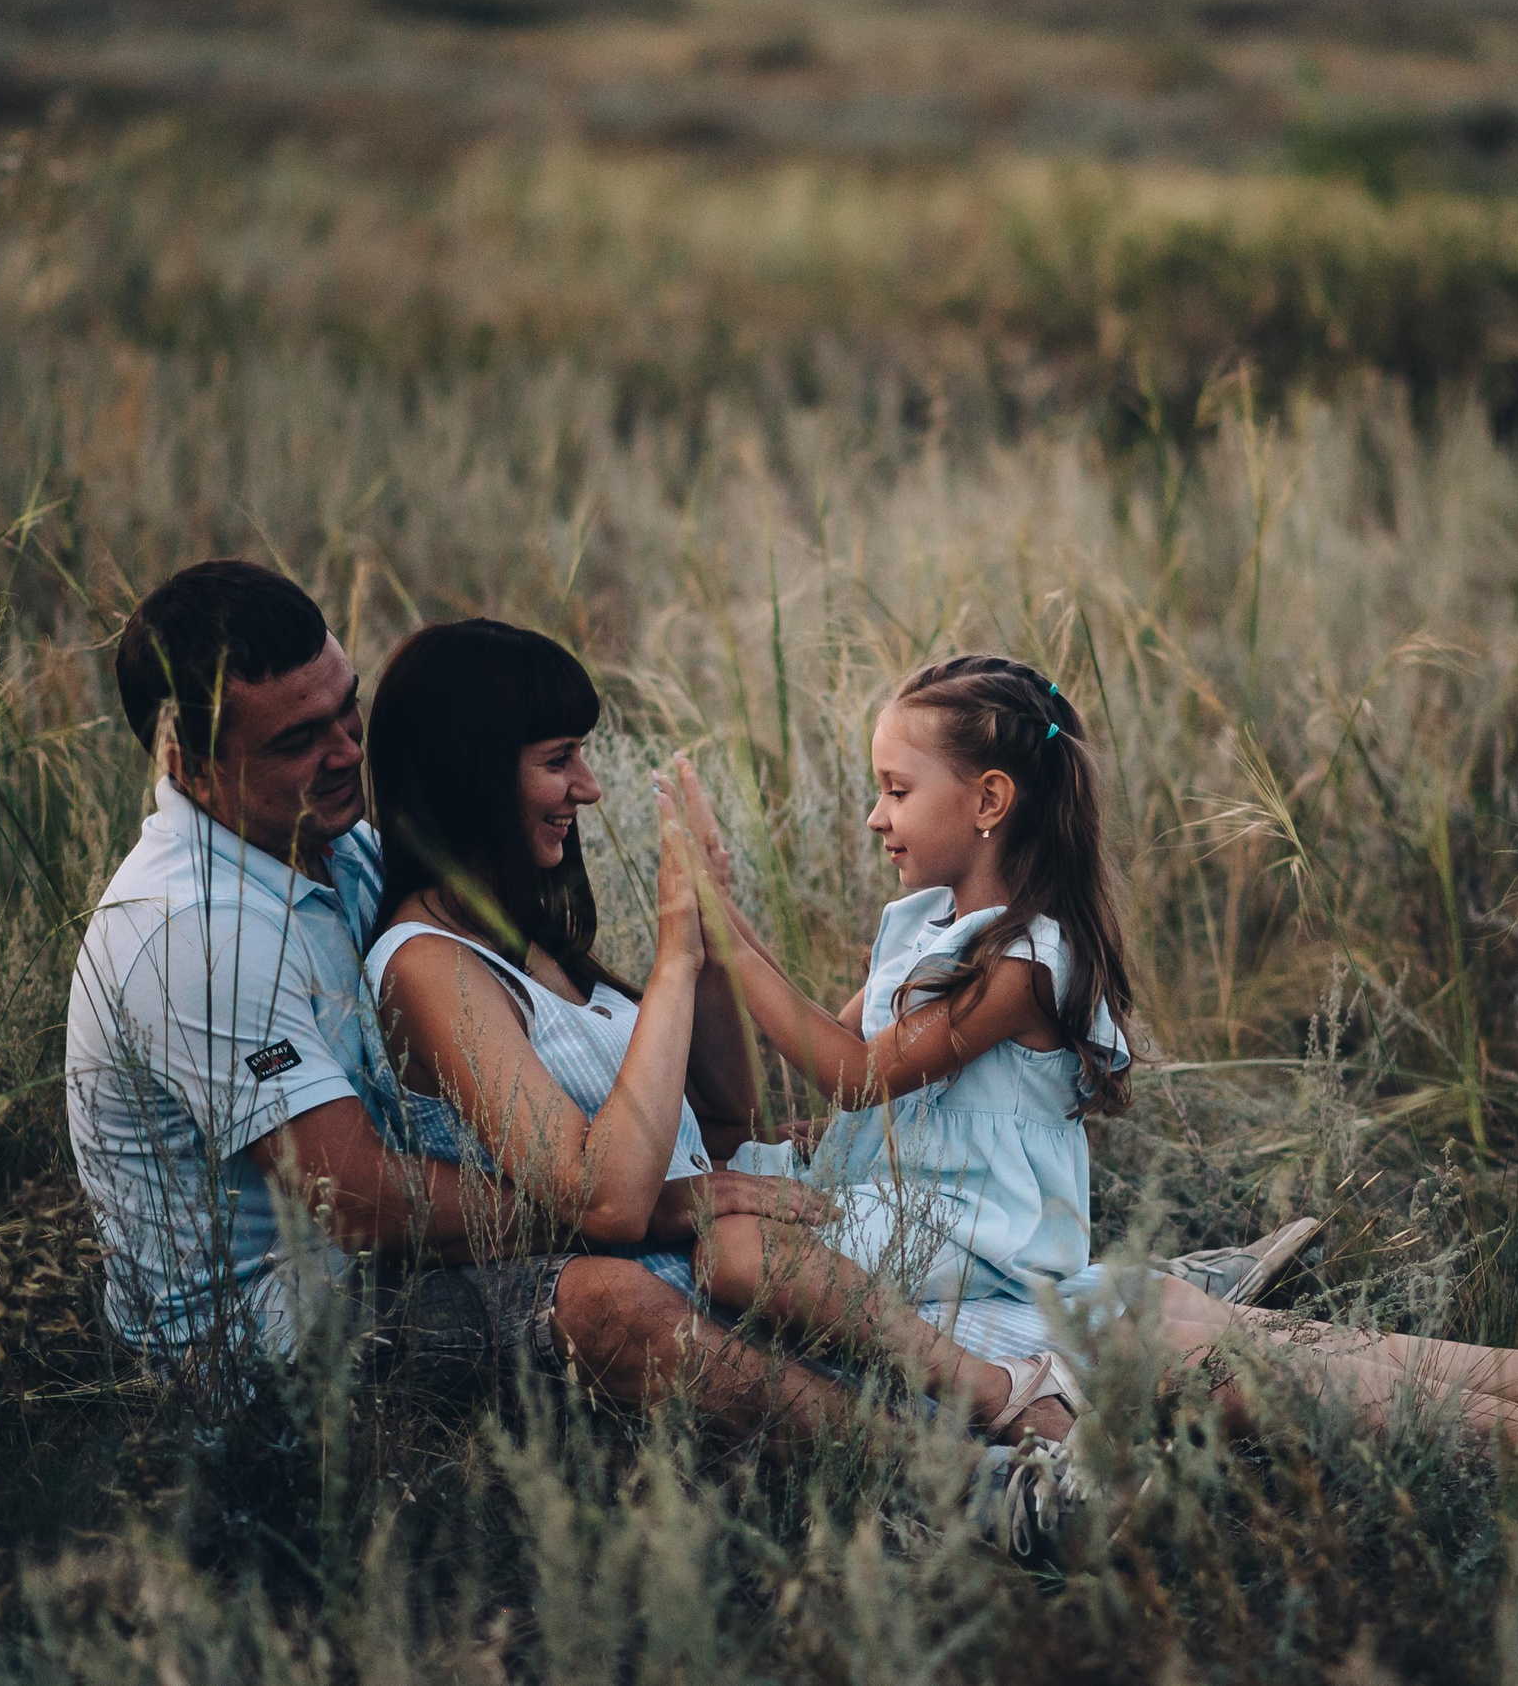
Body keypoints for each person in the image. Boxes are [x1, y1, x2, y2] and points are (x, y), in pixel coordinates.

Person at [674, 653, 1518, 1450]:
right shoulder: (920, 924)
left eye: (897, 789)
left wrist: (720, 923)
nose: (872, 815)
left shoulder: (1029, 959)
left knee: (1239, 1343)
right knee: (1230, 1334)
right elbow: (854, 1060)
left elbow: (857, 1069)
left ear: (990, 799)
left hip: (969, 1239)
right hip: (918, 1214)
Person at [62, 560, 854, 1446]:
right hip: (266, 1338)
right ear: (189, 764)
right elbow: (352, 1199)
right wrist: (648, 1202)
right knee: (606, 1300)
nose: (347, 754)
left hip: (381, 1263)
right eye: (297, 740)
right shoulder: (191, 934)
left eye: (347, 710)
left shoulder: (340, 847)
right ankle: (930, 1466)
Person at [360, 619, 1079, 1449]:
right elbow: (606, 1198)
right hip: (683, 1300)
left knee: (1105, 1328)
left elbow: (727, 1116)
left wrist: (710, 928)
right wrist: (674, 957)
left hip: (749, 1268)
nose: (589, 788)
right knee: (1071, 1346)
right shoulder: (426, 965)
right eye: (559, 761)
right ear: (471, 777)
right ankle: (993, 1444)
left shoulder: (531, 940)